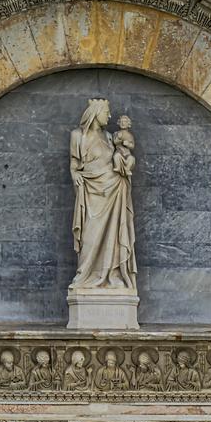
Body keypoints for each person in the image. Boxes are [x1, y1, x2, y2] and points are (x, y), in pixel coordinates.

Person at [69, 98, 137, 290]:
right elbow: (74, 165)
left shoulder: (109, 136)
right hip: (92, 191)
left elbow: (121, 155)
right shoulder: (77, 136)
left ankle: (112, 275)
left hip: (114, 188)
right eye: (105, 112)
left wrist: (126, 161)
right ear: (95, 112)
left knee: (114, 235)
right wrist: (75, 176)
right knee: (90, 233)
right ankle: (85, 275)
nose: (108, 115)